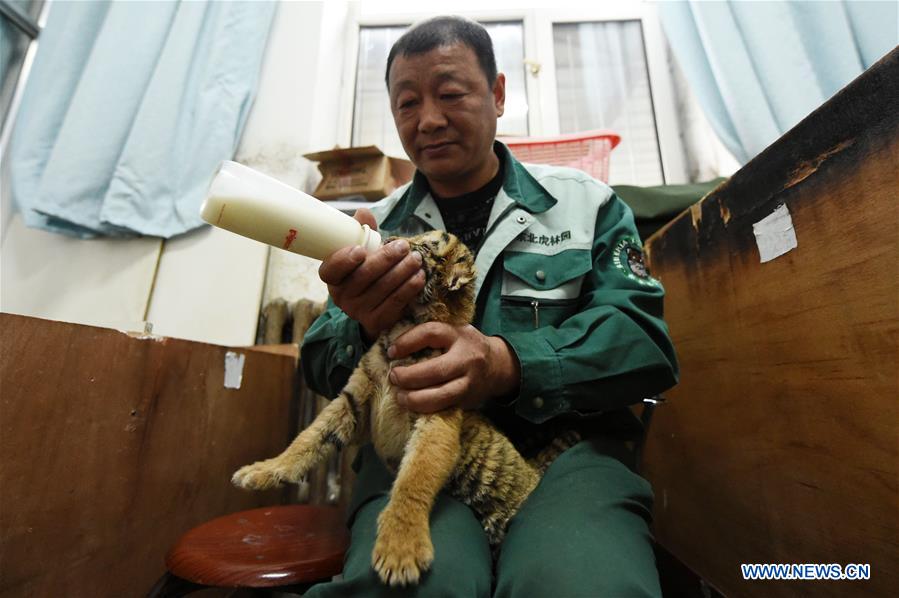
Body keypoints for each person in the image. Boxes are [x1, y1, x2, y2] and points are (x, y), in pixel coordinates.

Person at [301, 15, 678, 598]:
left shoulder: (586, 205)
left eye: (451, 94)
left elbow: (645, 344)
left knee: (578, 581)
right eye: (406, 104)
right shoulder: (374, 228)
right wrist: (362, 325)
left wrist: (508, 364)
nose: (427, 120)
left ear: (498, 94)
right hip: (414, 457)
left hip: (567, 454)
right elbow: (318, 362)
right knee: (419, 582)